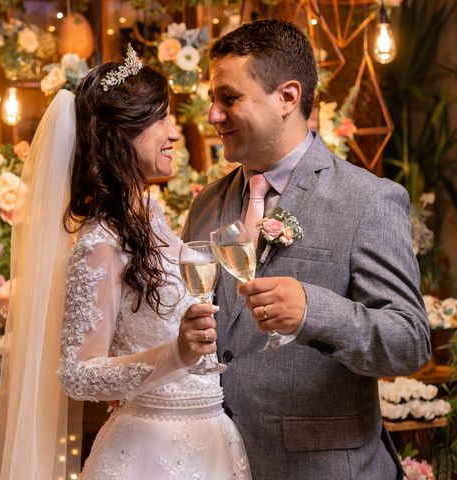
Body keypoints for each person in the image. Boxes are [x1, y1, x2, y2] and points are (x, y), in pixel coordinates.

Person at [181, 19, 431, 480]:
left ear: (288, 97)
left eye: (229, 98)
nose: (213, 115)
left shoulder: (368, 199)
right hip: (216, 463)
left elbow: (410, 342)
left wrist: (314, 311)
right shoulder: (206, 205)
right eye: (214, 99)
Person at [0, 46, 251, 480]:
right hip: (150, 452)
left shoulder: (154, 216)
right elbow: (77, 374)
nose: (174, 132)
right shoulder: (100, 242)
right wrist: (176, 352)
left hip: (211, 440)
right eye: (160, 119)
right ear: (121, 135)